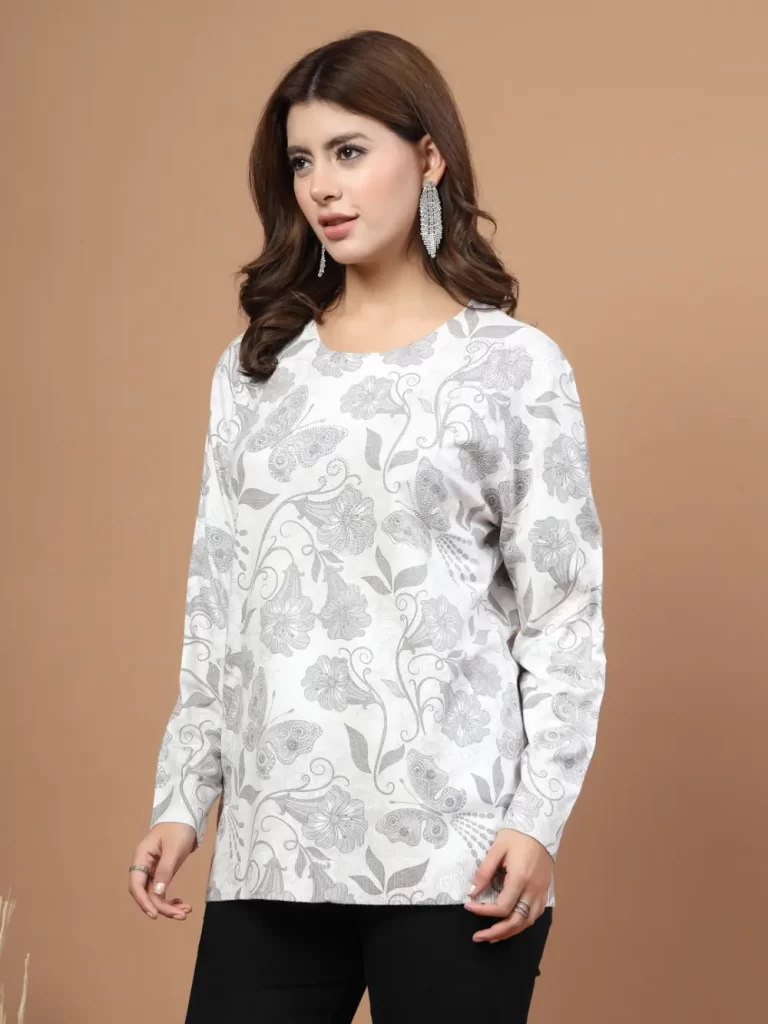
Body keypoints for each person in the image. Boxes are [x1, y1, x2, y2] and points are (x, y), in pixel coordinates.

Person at [127, 28, 606, 1024]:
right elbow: (220, 602)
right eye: (303, 161)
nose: (323, 187)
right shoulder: (257, 371)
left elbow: (563, 615)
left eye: (350, 152)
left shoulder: (512, 368)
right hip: (273, 841)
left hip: (457, 850)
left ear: (428, 158)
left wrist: (538, 818)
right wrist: (182, 798)